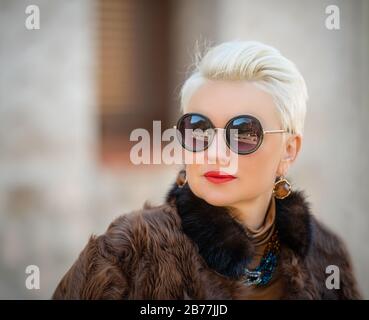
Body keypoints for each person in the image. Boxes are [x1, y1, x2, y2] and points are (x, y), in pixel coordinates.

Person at [53, 41, 361, 299]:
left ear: (289, 149)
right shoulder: (126, 255)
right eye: (198, 129)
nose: (214, 152)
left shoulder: (327, 255)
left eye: (243, 132)